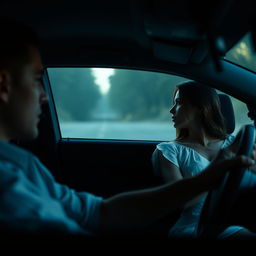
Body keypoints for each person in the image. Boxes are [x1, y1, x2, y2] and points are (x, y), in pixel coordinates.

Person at [0, 17, 255, 238]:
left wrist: (208, 180)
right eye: (36, 80)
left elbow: (99, 212)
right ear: (4, 85)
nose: (44, 96)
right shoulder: (9, 182)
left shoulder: (25, 165)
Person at [152, 81, 256, 239]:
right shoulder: (169, 150)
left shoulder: (237, 144)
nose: (171, 110)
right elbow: (179, 201)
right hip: (194, 229)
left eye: (178, 103)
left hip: (231, 223)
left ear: (200, 107)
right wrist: (220, 171)